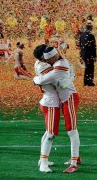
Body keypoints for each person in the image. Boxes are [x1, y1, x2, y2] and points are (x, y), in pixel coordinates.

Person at [33, 47, 81, 173]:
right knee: (52, 132)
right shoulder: (55, 63)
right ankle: (45, 161)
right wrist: (67, 80)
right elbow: (71, 74)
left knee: (70, 130)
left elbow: (43, 80)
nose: (47, 62)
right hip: (57, 100)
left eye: (49, 60)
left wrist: (35, 80)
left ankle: (74, 162)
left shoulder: (59, 65)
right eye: (45, 60)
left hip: (67, 98)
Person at [32, 44, 59, 173]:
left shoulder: (38, 63)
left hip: (47, 100)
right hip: (51, 102)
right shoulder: (46, 67)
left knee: (48, 132)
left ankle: (42, 159)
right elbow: (57, 81)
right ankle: (43, 163)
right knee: (51, 134)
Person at [80, 20, 97, 86]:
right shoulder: (91, 36)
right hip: (90, 54)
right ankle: (90, 81)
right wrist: (95, 55)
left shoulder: (82, 35)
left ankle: (86, 81)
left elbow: (80, 45)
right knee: (90, 68)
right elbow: (93, 47)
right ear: (91, 28)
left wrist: (81, 55)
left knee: (87, 67)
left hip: (84, 53)